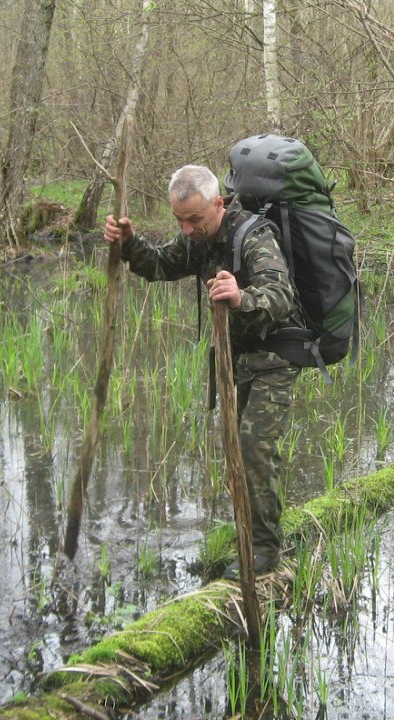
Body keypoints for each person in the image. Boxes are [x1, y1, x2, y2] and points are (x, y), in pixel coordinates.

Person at [103, 164, 302, 576]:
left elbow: (280, 295)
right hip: (237, 358)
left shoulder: (254, 236)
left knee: (254, 451)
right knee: (235, 451)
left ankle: (264, 553)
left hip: (275, 358)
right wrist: (128, 243)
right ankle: (248, 531)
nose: (187, 228)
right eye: (179, 220)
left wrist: (241, 297)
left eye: (194, 219)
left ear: (218, 203)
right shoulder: (196, 241)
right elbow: (159, 266)